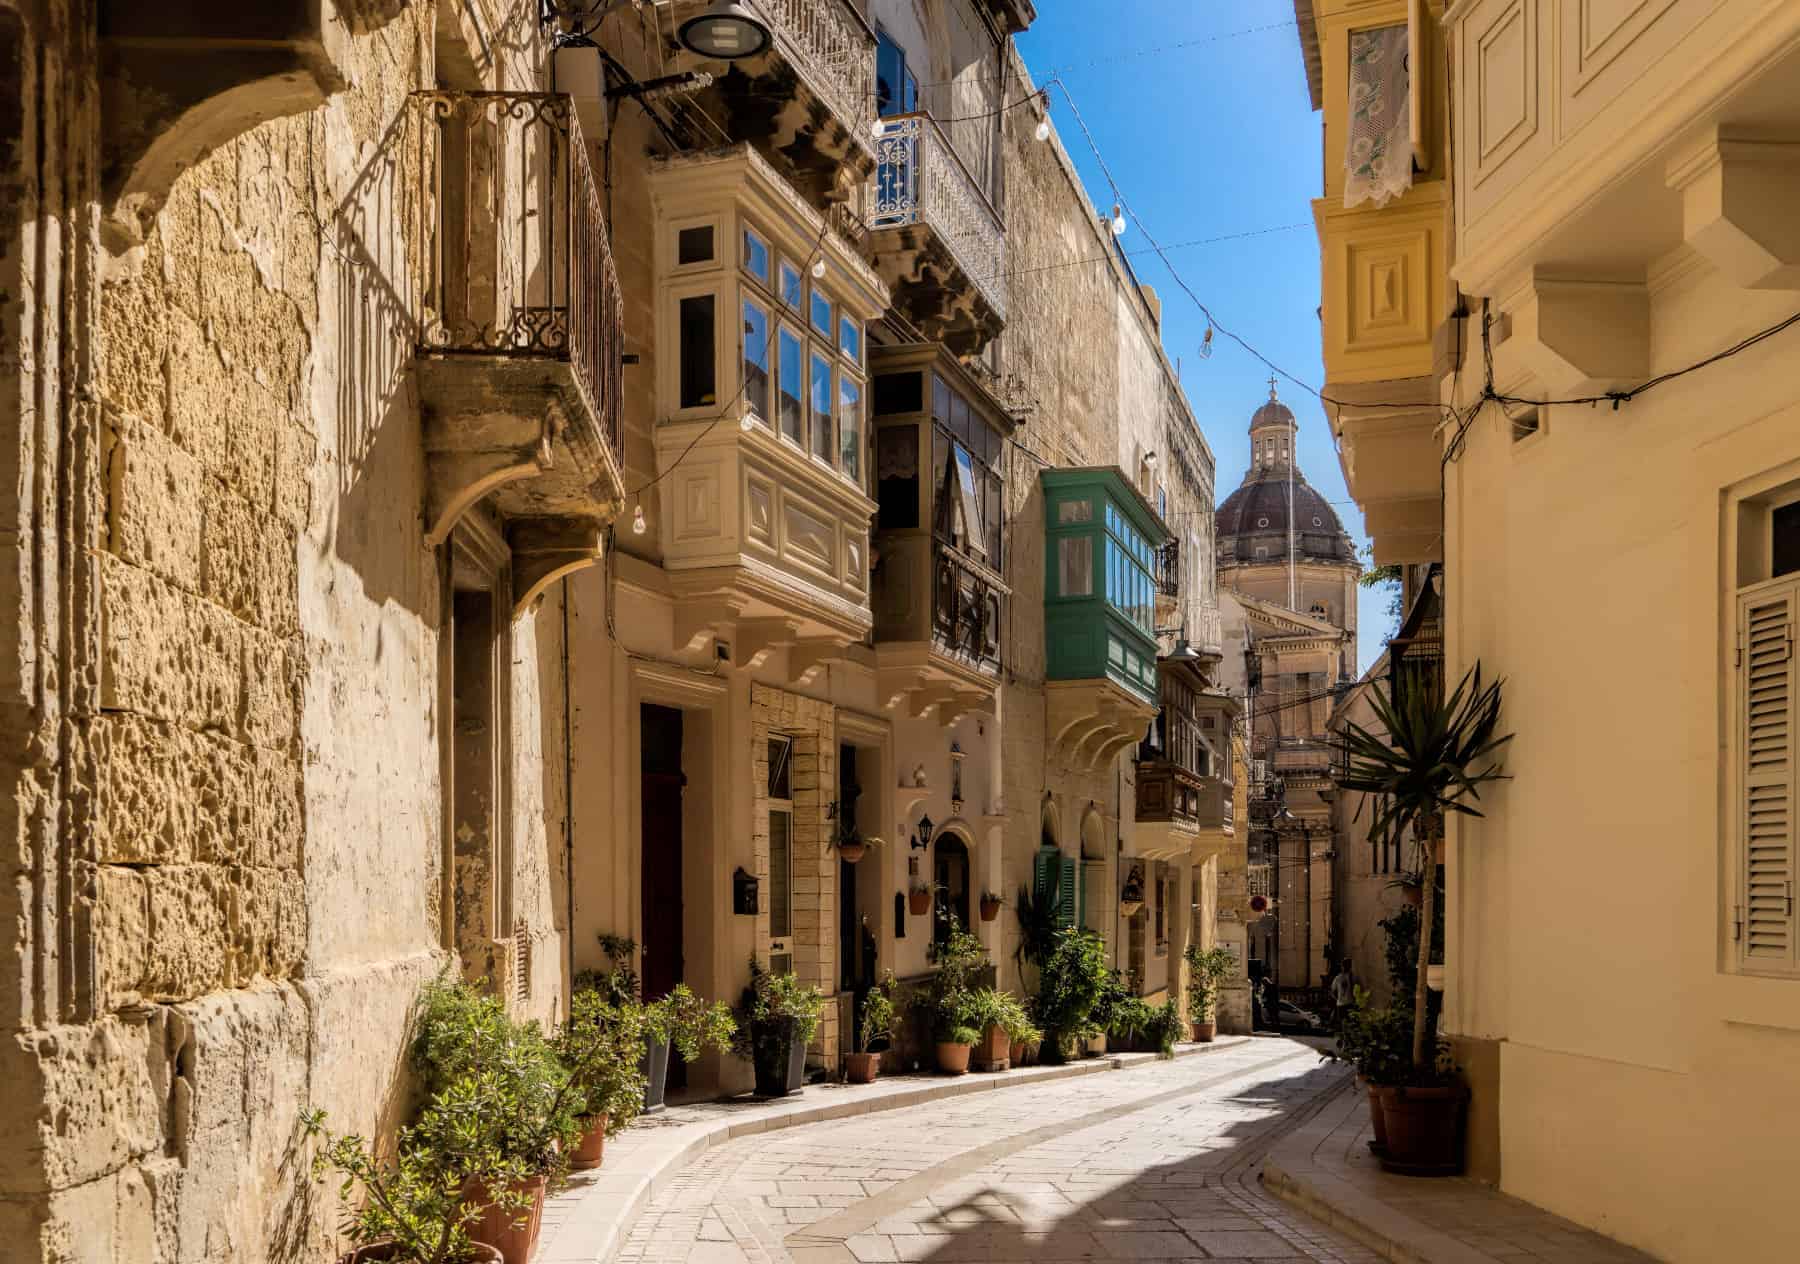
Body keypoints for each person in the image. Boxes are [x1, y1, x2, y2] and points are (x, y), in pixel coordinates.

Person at [1330, 961, 1354, 1032]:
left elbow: (1332, 991)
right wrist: (1337, 999)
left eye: (1347, 966)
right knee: (1345, 1022)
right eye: (1344, 966)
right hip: (1343, 1004)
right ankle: (1345, 1037)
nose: (1345, 968)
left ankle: (1345, 1037)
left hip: (1347, 1003)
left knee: (1347, 1022)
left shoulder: (1350, 976)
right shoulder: (1338, 978)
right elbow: (1332, 991)